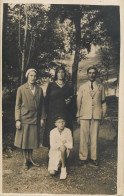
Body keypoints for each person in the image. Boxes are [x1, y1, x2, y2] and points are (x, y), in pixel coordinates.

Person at [14, 68, 46, 170]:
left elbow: (42, 105)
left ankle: (31, 159)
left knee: (32, 140)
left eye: (34, 76)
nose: (33, 78)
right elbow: (17, 106)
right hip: (25, 118)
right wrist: (17, 119)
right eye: (31, 75)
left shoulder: (39, 89)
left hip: (35, 118)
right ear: (27, 76)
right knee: (25, 140)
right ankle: (25, 160)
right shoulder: (21, 89)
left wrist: (42, 118)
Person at [76, 66, 107, 167]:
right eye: (90, 73)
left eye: (94, 73)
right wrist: (78, 114)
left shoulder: (100, 87)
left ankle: (93, 158)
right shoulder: (82, 87)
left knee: (94, 137)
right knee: (83, 137)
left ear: (96, 74)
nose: (92, 75)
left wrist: (103, 114)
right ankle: (83, 157)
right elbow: (78, 102)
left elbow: (103, 102)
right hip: (84, 114)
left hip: (96, 115)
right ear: (87, 74)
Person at [43, 66, 73, 148]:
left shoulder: (69, 86)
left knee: (65, 132)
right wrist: (46, 113)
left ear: (65, 74)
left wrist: (70, 101)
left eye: (62, 72)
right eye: (59, 72)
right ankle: (51, 153)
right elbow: (46, 100)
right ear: (56, 74)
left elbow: (72, 100)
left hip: (65, 113)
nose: (61, 74)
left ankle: (65, 155)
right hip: (53, 113)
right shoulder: (51, 85)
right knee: (52, 132)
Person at [48, 114, 73, 179]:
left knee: (62, 147)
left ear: (65, 123)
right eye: (59, 122)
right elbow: (52, 146)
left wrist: (63, 145)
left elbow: (70, 145)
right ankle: (59, 164)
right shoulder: (52, 132)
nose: (61, 124)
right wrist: (62, 142)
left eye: (63, 122)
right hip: (54, 152)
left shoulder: (68, 131)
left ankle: (63, 168)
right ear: (55, 124)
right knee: (52, 173)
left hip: (65, 151)